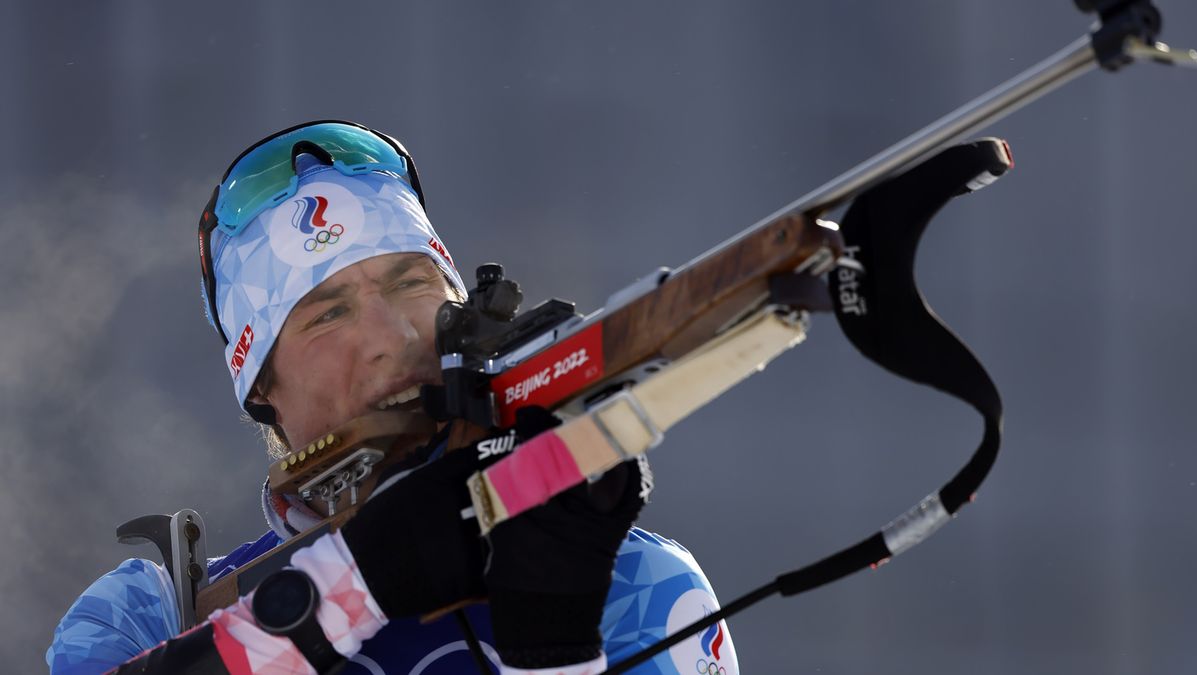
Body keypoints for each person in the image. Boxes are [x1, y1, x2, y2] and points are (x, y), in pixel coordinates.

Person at [46, 120, 740, 674]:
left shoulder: (641, 581)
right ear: (261, 385)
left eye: (412, 282)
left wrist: (553, 645)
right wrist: (360, 579)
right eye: (327, 312)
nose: (392, 334)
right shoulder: (151, 616)